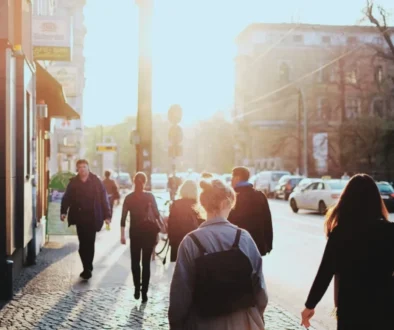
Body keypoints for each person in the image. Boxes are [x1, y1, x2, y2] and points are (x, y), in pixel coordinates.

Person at [169, 179, 268, 329]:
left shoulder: (190, 242)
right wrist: (257, 316)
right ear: (225, 204)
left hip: (202, 323)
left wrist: (176, 325)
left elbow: (180, 294)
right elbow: (259, 288)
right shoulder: (243, 238)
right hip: (242, 322)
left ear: (203, 205)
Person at [301, 174, 394, 330]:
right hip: (385, 305)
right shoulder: (390, 231)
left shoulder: (341, 232)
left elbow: (325, 272)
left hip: (350, 306)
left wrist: (310, 305)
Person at [61, 159, 111, 280]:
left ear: (88, 168)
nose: (82, 169)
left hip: (93, 217)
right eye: (80, 167)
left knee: (90, 243)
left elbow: (104, 199)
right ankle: (86, 266)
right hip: (79, 218)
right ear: (77, 169)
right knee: (83, 244)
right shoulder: (73, 183)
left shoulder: (96, 181)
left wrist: (107, 216)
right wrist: (63, 211)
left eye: (84, 167)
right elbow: (66, 197)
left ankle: (87, 267)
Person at [120, 172, 162, 303]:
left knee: (135, 262)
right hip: (149, 233)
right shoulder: (150, 196)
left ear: (133, 181)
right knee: (146, 264)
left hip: (135, 233)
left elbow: (123, 218)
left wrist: (122, 235)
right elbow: (156, 214)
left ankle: (137, 288)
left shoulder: (129, 198)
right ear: (145, 182)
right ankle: (144, 293)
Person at [228, 166, 273, 256]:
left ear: (237, 178)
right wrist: (268, 244)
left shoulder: (233, 197)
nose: (231, 180)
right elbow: (267, 221)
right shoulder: (260, 196)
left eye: (232, 177)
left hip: (238, 246)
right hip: (257, 245)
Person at [167, 179, 204, 262]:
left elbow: (171, 225)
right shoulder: (198, 205)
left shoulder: (176, 204)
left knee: (177, 269)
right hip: (195, 242)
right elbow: (202, 225)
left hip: (178, 242)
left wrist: (171, 242)